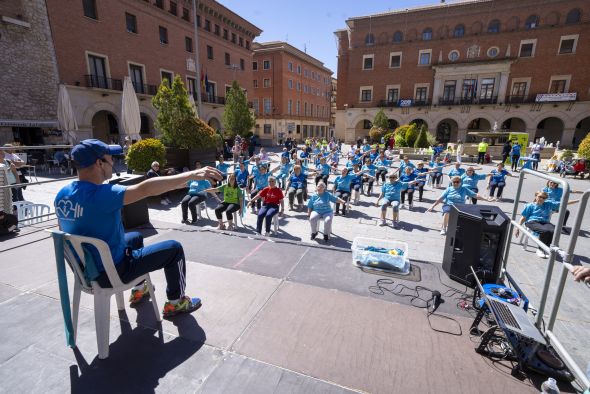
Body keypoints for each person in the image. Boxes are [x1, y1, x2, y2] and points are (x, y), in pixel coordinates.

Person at [54, 139, 221, 318]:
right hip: (113, 272)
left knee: (134, 238)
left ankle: (140, 289)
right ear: (99, 163)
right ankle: (176, 302)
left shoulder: (62, 195)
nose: (114, 162)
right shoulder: (103, 194)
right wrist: (192, 174)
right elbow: (146, 189)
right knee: (174, 249)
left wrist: (184, 183)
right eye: (111, 158)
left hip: (87, 271)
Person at [515, 191, 579, 258]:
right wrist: (517, 228)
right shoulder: (530, 205)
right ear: (536, 196)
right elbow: (523, 218)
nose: (541, 199)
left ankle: (548, 248)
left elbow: (563, 203)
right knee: (545, 231)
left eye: (544, 198)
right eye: (540, 197)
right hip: (532, 222)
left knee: (554, 230)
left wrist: (579, 200)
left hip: (545, 222)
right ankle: (540, 249)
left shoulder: (548, 204)